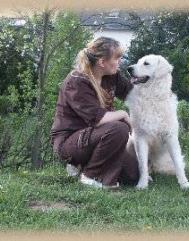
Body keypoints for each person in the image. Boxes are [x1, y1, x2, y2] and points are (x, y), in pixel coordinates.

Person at [50, 37, 139, 189]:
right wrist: (123, 114)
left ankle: (83, 166)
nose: (120, 62)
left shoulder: (112, 76)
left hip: (98, 136)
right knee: (119, 128)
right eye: (117, 58)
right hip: (70, 141)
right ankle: (89, 175)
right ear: (102, 62)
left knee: (133, 175)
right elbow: (98, 119)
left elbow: (135, 96)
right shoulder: (76, 81)